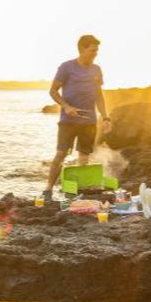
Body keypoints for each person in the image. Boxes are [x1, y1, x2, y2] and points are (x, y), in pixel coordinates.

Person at [44, 34, 110, 200]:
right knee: (60, 154)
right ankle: (48, 189)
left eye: (97, 51)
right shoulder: (66, 67)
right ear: (82, 49)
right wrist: (66, 107)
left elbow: (99, 96)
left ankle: (79, 192)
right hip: (68, 121)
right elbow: (53, 91)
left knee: (84, 157)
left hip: (89, 122)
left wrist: (106, 117)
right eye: (93, 50)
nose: (96, 53)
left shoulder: (97, 69)